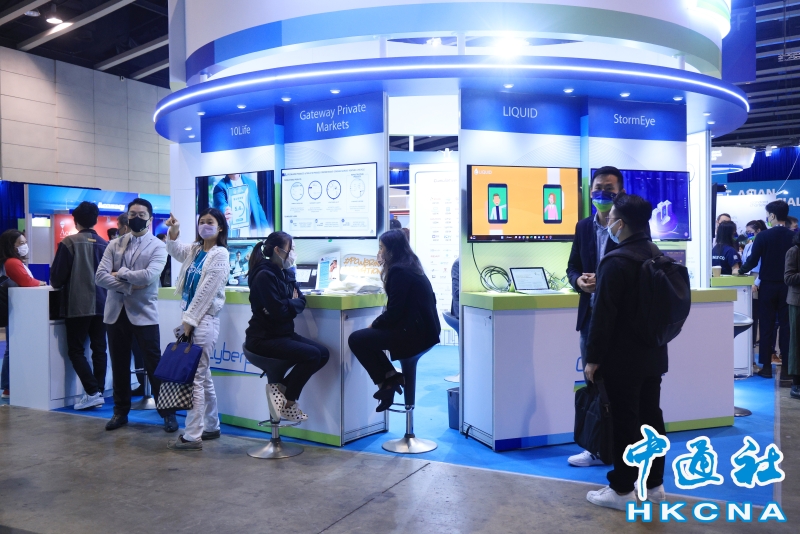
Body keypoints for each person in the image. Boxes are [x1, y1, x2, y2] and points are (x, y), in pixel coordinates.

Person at [584, 194, 668, 510]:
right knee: (651, 418)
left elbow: (603, 316)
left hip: (622, 358)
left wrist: (593, 359)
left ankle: (621, 490)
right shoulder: (657, 254)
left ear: (621, 223)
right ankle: (654, 485)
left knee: (624, 421)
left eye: (611, 218)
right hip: (654, 353)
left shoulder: (616, 260)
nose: (609, 222)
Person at [96, 198, 176, 432]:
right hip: (115, 314)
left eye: (141, 215)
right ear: (127, 217)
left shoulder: (158, 246)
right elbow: (100, 276)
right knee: (119, 364)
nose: (136, 218)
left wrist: (119, 273)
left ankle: (168, 413)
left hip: (144, 314)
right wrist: (129, 286)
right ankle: (120, 412)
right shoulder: (114, 244)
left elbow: (149, 276)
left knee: (154, 364)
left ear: (150, 219)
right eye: (132, 214)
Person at [565, 166, 623, 467]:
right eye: (598, 188)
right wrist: (578, 281)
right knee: (593, 381)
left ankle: (619, 447)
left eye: (609, 188)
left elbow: (636, 268)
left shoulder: (628, 226)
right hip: (589, 316)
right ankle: (596, 446)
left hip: (620, 319)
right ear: (590, 192)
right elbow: (572, 266)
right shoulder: (583, 226)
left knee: (619, 384)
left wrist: (606, 280)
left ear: (620, 192)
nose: (603, 193)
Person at [348, 229, 441, 411]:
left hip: (414, 336)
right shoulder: (411, 266)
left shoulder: (398, 271)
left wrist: (374, 324)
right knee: (368, 339)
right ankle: (389, 379)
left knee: (357, 339)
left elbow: (394, 312)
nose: (379, 252)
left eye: (381, 248)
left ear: (392, 250)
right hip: (423, 333)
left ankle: (387, 382)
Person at [244, 232, 329, 422]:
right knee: (312, 355)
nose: (293, 253)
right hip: (263, 339)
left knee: (322, 353)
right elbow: (279, 311)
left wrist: (287, 304)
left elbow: (301, 300)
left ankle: (279, 390)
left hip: (284, 334)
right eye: (291, 249)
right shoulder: (263, 275)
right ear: (278, 250)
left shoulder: (286, 272)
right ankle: (289, 403)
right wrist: (289, 303)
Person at [163, 208, 229, 450]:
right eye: (201, 221)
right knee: (204, 376)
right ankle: (212, 426)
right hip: (190, 319)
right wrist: (174, 230)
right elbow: (174, 250)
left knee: (195, 379)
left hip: (203, 321)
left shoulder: (220, 254)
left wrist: (188, 323)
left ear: (220, 227)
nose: (204, 225)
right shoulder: (196, 250)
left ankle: (192, 436)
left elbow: (206, 293)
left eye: (210, 222)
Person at [50, 201, 109, 410]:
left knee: (75, 350)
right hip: (103, 304)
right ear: (95, 220)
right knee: (99, 349)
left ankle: (92, 392)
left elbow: (57, 278)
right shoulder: (105, 244)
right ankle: (98, 390)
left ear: (75, 221)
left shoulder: (69, 243)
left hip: (77, 304)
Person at [740, 200, 794, 382]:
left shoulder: (763, 236)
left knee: (766, 326)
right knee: (787, 327)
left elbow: (753, 261)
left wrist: (740, 271)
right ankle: (787, 368)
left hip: (768, 287)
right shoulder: (794, 236)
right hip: (788, 287)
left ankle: (766, 367)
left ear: (772, 215)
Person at [0, 230, 46, 399]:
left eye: (25, 242)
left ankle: (9, 386)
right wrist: (41, 282)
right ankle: (8, 386)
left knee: (13, 347)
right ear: (11, 246)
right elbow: (26, 281)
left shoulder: (13, 261)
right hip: (16, 311)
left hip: (17, 310)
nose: (25, 246)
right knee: (13, 348)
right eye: (21, 243)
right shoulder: (12, 262)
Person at [743, 220, 767, 351]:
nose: (748, 235)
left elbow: (764, 265)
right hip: (747, 279)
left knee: (757, 312)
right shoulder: (748, 246)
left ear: (758, 231)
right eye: (747, 232)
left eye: (750, 232)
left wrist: (756, 282)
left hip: (759, 279)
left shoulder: (764, 244)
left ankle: (757, 341)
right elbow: (745, 263)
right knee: (749, 311)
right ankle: (749, 341)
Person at [784, 232, 800, 400]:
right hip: (797, 303)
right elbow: (788, 278)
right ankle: (796, 383)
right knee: (796, 342)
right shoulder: (794, 251)